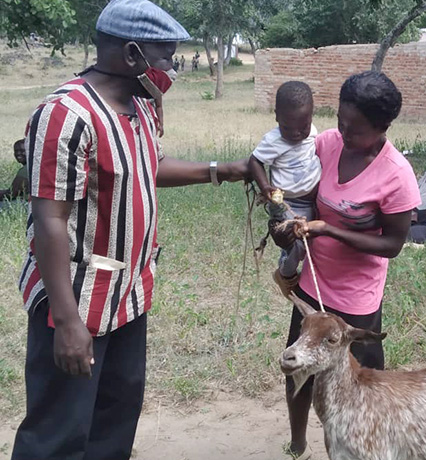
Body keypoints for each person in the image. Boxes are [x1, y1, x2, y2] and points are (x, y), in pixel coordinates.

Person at [12, 1, 248, 459]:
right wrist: (66, 322)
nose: (172, 68)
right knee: (59, 431)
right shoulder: (66, 116)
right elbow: (50, 219)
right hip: (76, 300)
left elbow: (149, 165)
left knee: (114, 420)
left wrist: (225, 169)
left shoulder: (142, 105)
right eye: (167, 56)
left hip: (129, 294)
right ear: (134, 54)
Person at [278, 71, 420, 460]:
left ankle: (364, 446)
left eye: (355, 130)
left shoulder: (396, 175)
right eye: (340, 121)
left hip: (357, 298)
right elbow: (299, 196)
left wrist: (332, 231)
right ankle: (297, 445)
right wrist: (287, 227)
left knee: (362, 382)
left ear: (383, 127)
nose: (343, 133)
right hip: (313, 286)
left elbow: (392, 245)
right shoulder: (326, 144)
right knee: (300, 369)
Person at [248, 81, 320, 299]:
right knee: (298, 243)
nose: (297, 133)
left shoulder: (314, 132)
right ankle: (284, 273)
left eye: (304, 126)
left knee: (314, 242)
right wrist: (265, 187)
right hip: (289, 203)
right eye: (288, 127)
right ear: (277, 116)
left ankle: (306, 273)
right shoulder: (273, 140)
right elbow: (255, 161)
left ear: (311, 117)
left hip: (313, 201)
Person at [0, 139, 29, 203]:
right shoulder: (34, 167)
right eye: (16, 151)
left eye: (22, 151)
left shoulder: (25, 170)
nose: (18, 154)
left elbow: (10, 194)